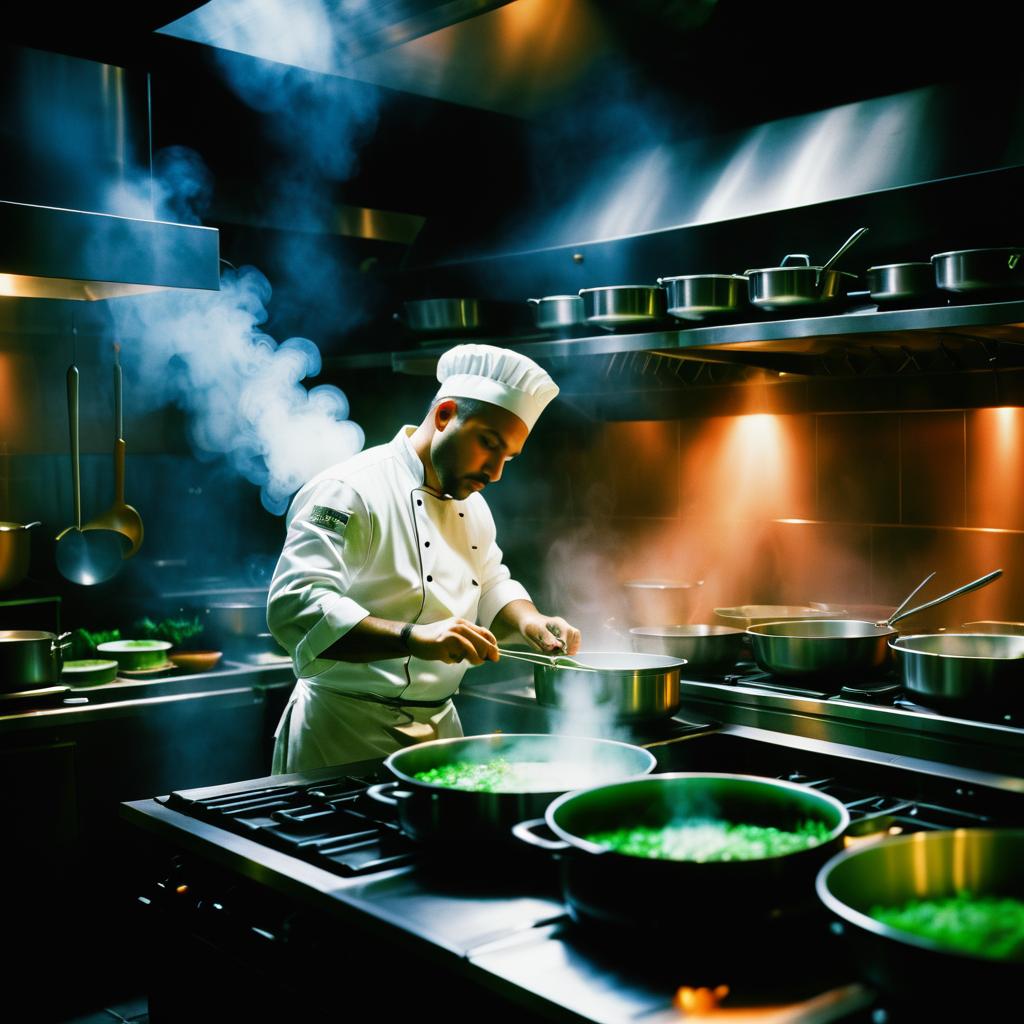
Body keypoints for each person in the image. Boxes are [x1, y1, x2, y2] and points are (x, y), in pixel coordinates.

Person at [267, 343, 581, 772]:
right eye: (488, 443)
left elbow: (490, 582)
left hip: (439, 734)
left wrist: (531, 622)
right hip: (341, 735)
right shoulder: (350, 489)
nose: (495, 472)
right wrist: (415, 637)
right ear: (445, 415)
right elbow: (296, 605)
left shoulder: (473, 505)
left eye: (507, 457)